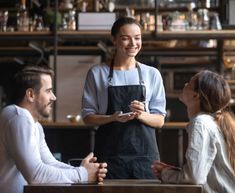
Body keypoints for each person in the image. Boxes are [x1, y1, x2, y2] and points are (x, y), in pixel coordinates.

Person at [81, 16, 166, 179]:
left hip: (144, 156)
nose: (133, 44)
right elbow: (87, 117)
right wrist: (111, 118)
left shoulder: (151, 74)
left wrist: (142, 114)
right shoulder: (97, 73)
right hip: (109, 156)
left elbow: (160, 120)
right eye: (125, 38)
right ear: (114, 40)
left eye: (137, 38)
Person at [0, 65, 107, 193]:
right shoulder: (18, 116)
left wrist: (84, 171)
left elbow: (50, 163)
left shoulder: (35, 124)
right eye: (48, 91)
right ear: (31, 94)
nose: (53, 97)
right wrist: (82, 174)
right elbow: (36, 175)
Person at [151, 70, 235, 193]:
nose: (185, 84)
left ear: (196, 95)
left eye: (189, 84)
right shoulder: (210, 122)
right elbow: (200, 172)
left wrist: (165, 174)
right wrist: (175, 172)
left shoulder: (200, 123)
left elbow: (194, 178)